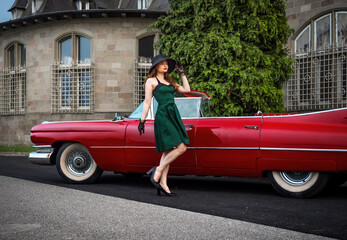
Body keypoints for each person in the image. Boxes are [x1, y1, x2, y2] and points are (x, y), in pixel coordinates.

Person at [138, 54, 191, 197]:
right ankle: (158, 170)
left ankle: (163, 183)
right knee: (181, 147)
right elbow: (147, 102)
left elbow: (187, 90)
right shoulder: (151, 81)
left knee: (168, 151)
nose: (165, 65)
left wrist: (182, 74)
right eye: (161, 63)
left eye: (166, 63)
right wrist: (142, 120)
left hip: (173, 114)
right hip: (163, 115)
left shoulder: (169, 81)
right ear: (156, 66)